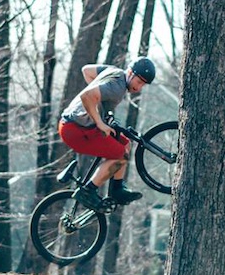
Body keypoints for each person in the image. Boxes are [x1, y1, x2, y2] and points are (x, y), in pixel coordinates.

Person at [58, 56, 156, 210]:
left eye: (143, 84)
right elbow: (87, 96)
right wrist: (99, 121)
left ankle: (117, 189)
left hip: (77, 125)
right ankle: (88, 191)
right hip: (75, 130)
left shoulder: (113, 71)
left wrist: (99, 101)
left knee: (125, 143)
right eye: (139, 82)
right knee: (120, 155)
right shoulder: (117, 88)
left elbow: (87, 71)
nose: (139, 87)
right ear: (130, 73)